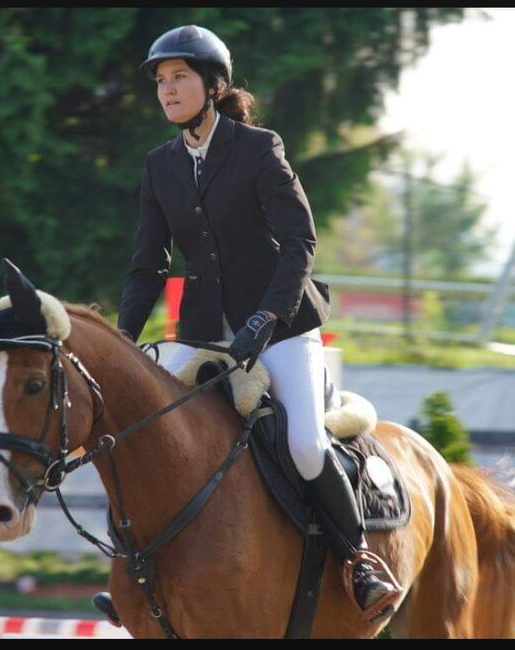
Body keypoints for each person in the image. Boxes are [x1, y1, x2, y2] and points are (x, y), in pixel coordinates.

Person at [116, 24, 401, 619]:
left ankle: (360, 561)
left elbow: (301, 241)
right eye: (161, 82)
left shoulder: (257, 147)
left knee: (302, 442)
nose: (167, 92)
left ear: (214, 86)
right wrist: (123, 341)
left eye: (180, 78)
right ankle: (136, 574)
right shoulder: (160, 165)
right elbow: (148, 266)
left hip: (282, 325)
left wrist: (266, 319)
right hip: (200, 331)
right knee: (146, 433)